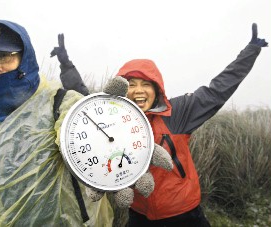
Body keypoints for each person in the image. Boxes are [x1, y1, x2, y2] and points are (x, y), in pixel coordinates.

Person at [52, 23, 268, 226]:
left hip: (184, 211)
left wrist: (251, 51)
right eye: (131, 84)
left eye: (146, 84)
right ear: (121, 89)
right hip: (139, 213)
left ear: (157, 90)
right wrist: (65, 63)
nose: (138, 90)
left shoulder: (179, 112)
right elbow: (86, 102)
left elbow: (217, 90)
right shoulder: (112, 116)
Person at [0, 19, 114, 226]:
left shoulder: (61, 103)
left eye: (3, 56)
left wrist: (120, 150)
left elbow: (98, 146)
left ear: (25, 58)